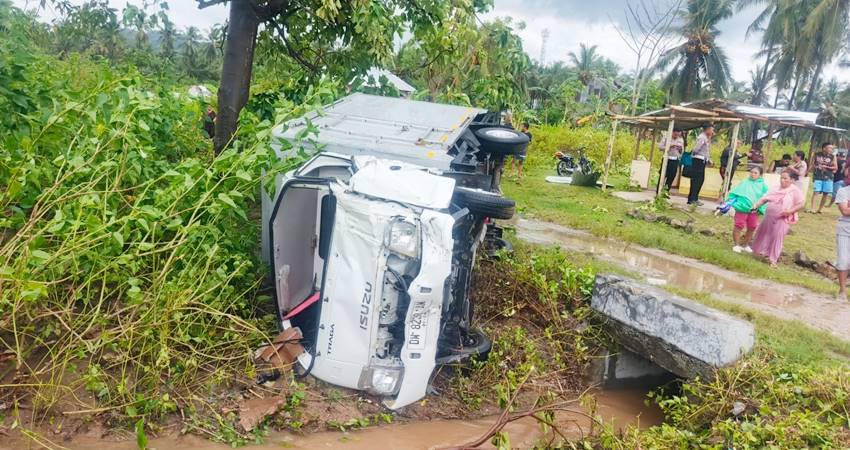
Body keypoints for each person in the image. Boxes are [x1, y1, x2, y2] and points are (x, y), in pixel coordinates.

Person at [749, 170, 805, 267]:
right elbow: (764, 198)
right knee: (763, 233)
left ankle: (773, 259)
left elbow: (801, 204)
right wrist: (755, 206)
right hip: (769, 216)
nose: (782, 180)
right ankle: (761, 252)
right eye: (781, 178)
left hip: (782, 217)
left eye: (785, 178)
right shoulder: (775, 188)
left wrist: (790, 211)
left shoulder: (794, 190)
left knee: (777, 237)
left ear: (791, 180)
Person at [721, 166, 769, 253]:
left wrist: (760, 207)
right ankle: (736, 244)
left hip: (754, 209)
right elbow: (735, 193)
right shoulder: (744, 182)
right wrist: (731, 202)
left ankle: (745, 244)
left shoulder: (763, 186)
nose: (753, 174)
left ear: (760, 175)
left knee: (752, 226)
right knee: (739, 225)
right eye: (752, 172)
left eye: (755, 173)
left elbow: (766, 197)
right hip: (742, 207)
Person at [688, 124, 714, 206]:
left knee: (698, 180)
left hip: (701, 160)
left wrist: (708, 159)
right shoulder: (702, 137)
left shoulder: (706, 138)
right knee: (697, 180)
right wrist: (699, 156)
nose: (713, 132)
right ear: (707, 129)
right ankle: (693, 199)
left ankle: (692, 198)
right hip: (698, 161)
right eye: (712, 130)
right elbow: (696, 149)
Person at [808, 142, 838, 213]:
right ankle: (812, 208)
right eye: (829, 148)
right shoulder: (816, 154)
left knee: (826, 193)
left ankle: (820, 209)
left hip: (829, 177)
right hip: (818, 176)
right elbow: (812, 164)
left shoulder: (833, 156)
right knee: (816, 192)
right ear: (824, 148)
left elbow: (835, 167)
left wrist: (827, 167)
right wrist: (807, 171)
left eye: (832, 148)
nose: (831, 149)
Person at [835, 182, 850, 301]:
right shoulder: (843, 191)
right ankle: (842, 291)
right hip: (845, 229)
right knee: (843, 260)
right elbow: (845, 211)